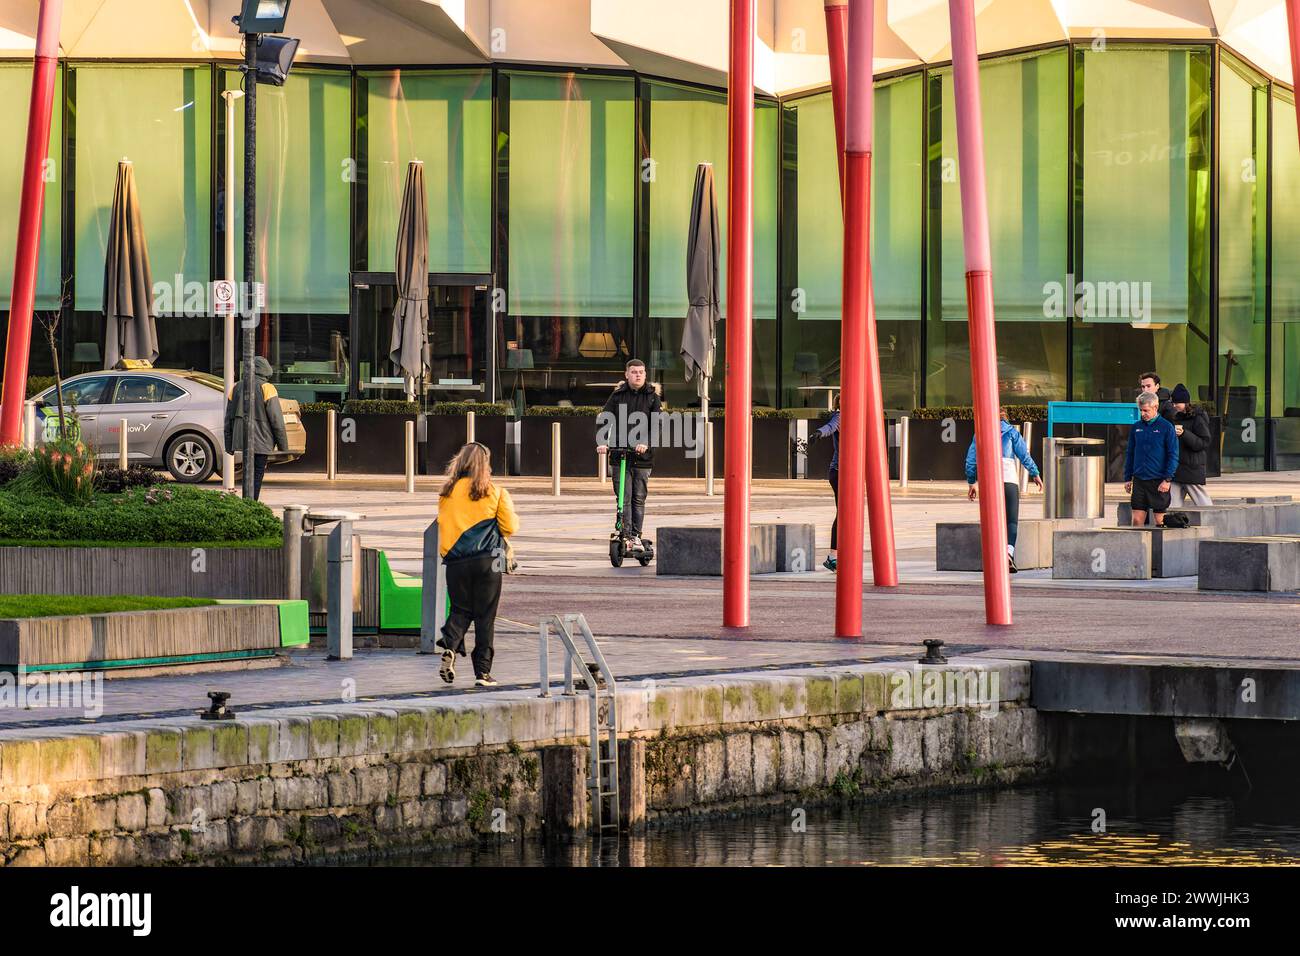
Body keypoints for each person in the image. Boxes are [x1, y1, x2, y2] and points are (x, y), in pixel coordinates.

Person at [435, 442, 519, 688]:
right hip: (488, 561)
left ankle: (450, 646)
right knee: (485, 616)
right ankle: (482, 673)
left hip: (455, 562)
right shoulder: (495, 492)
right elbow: (509, 527)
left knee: (460, 609)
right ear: (485, 465)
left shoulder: (446, 493)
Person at [964, 409, 1043, 574]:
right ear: (1006, 419)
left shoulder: (980, 434)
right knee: (1011, 521)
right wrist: (1035, 473)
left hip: (988, 483)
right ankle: (1008, 553)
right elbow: (1024, 455)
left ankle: (992, 557)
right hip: (1009, 480)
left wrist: (972, 482)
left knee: (991, 521)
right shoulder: (1012, 432)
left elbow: (971, 460)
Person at [595, 358, 661, 553]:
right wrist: (602, 442)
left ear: (645, 375)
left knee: (638, 498)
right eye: (634, 372)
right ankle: (624, 534)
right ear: (626, 374)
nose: (638, 375)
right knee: (623, 498)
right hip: (619, 454)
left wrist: (645, 443)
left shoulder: (652, 397)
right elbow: (604, 418)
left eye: (641, 372)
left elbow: (656, 425)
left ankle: (636, 536)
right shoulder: (617, 395)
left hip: (642, 457)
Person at [223, 355, 287, 501]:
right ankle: (252, 503)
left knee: (247, 471)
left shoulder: (236, 387)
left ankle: (248, 502)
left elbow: (228, 419)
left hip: (242, 439)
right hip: (262, 439)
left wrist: (229, 445)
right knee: (258, 472)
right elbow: (276, 419)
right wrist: (283, 445)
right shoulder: (267, 388)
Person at [1125, 391, 1180, 527]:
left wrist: (1167, 479)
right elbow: (1130, 453)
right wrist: (1127, 477)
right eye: (1140, 410)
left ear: (1155, 407)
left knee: (1160, 521)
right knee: (1137, 521)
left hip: (1158, 481)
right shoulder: (1136, 427)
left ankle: (1159, 548)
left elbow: (1173, 455)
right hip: (1139, 480)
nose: (1142, 413)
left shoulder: (1166, 427)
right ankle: (1137, 547)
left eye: (1146, 410)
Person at [806, 397, 840, 571]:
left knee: (846, 514)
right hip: (840, 472)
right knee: (843, 514)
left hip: (848, 473)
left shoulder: (858, 416)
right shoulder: (842, 416)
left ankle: (836, 555)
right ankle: (833, 556)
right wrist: (819, 433)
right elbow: (831, 426)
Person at [1169, 382, 1213, 507]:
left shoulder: (1198, 418)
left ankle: (1213, 522)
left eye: (1177, 403)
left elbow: (1204, 442)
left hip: (1192, 468)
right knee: (1173, 504)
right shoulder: (1175, 418)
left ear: (1185, 402)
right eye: (1173, 403)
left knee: (1203, 503)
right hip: (1177, 468)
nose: (1174, 405)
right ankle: (1174, 524)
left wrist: (1184, 434)